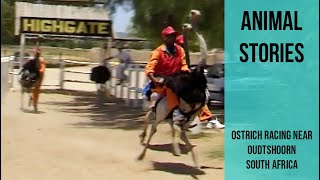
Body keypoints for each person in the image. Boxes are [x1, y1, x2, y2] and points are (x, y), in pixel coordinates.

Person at [175, 24, 225, 129]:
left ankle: (208, 119)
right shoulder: (175, 54)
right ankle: (181, 116)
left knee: (200, 98)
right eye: (181, 45)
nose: (183, 47)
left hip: (184, 80)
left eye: (183, 45)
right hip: (177, 81)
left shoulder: (183, 54)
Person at [145, 26, 190, 121]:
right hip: (161, 82)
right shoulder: (157, 52)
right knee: (170, 86)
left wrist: (187, 71)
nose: (172, 38)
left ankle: (201, 116)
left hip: (175, 80)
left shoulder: (180, 50)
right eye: (170, 36)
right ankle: (175, 113)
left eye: (174, 36)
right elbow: (150, 69)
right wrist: (155, 80)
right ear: (164, 38)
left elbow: (183, 65)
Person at [22, 47, 46, 112]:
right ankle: (31, 99)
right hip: (33, 75)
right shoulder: (31, 59)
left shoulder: (41, 60)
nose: (36, 54)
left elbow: (42, 70)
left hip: (38, 77)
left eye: (37, 53)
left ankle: (35, 105)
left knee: (36, 91)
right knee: (26, 86)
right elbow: (27, 66)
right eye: (35, 52)